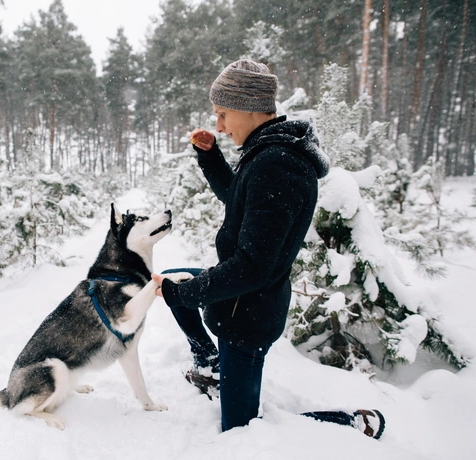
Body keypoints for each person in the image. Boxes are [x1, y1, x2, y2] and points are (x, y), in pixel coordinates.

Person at [151, 59, 384, 438]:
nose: (221, 126)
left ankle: (352, 422)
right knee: (173, 282)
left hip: (247, 318)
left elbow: (251, 266)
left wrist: (188, 293)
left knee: (244, 430)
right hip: (241, 302)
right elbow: (239, 198)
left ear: (248, 107)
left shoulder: (278, 164)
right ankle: (212, 366)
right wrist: (211, 158)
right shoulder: (267, 153)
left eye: (223, 115)